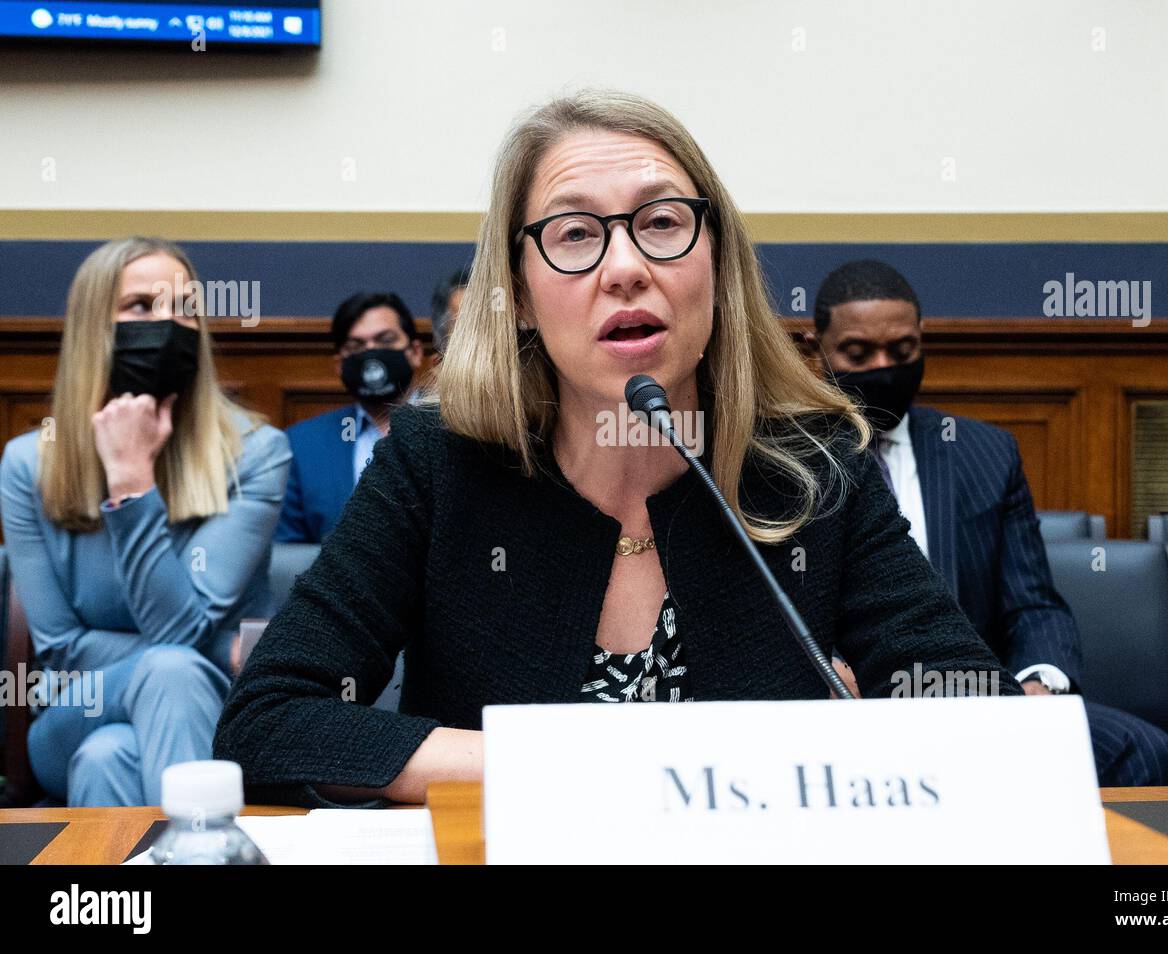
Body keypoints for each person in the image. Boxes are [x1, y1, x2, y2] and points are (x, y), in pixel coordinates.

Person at [214, 90, 1022, 808]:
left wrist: (849, 736)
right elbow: (268, 721)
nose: (626, 267)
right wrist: (564, 769)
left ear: (719, 266)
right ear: (521, 296)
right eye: (573, 234)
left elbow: (976, 703)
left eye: (663, 223)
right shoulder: (438, 460)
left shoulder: (812, 464)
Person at [812, 258, 1168, 787]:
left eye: (902, 351)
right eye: (858, 353)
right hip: (852, 708)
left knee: (1142, 752)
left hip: (979, 703)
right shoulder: (788, 458)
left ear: (922, 342)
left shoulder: (984, 454)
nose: (883, 366)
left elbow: (1033, 604)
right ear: (817, 350)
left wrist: (1039, 685)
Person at [0, 237, 290, 807]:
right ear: (93, 328)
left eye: (185, 307)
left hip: (207, 717)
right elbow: (59, 650)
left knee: (110, 757)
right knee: (170, 669)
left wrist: (131, 485)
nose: (169, 323)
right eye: (141, 306)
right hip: (73, 713)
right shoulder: (28, 464)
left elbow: (178, 634)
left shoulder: (257, 453)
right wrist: (220, 647)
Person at [274, 291, 424, 543]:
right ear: (339, 365)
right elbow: (287, 559)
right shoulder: (301, 445)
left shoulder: (453, 429)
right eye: (356, 347)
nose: (372, 354)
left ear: (415, 352)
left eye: (385, 340)